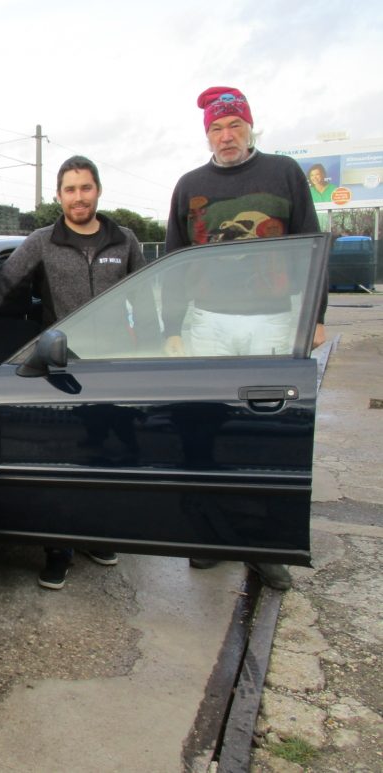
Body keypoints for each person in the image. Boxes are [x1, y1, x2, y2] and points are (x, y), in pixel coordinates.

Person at [163, 86, 328, 591]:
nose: (225, 136)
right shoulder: (189, 184)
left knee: (265, 435)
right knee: (205, 428)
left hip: (273, 321)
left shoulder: (284, 173)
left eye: (234, 126)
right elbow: (172, 261)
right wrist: (170, 328)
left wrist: (315, 315)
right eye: (216, 128)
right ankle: (210, 537)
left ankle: (264, 546)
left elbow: (312, 245)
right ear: (206, 134)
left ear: (250, 127)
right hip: (208, 321)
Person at [0, 155, 149, 590]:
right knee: (63, 459)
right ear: (59, 196)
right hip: (61, 365)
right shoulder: (42, 241)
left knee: (107, 453)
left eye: (86, 188)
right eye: (70, 190)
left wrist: (159, 342)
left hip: (112, 365)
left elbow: (146, 299)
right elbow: (2, 287)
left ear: (98, 191)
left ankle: (96, 536)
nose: (79, 197)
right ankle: (58, 548)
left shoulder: (124, 239)